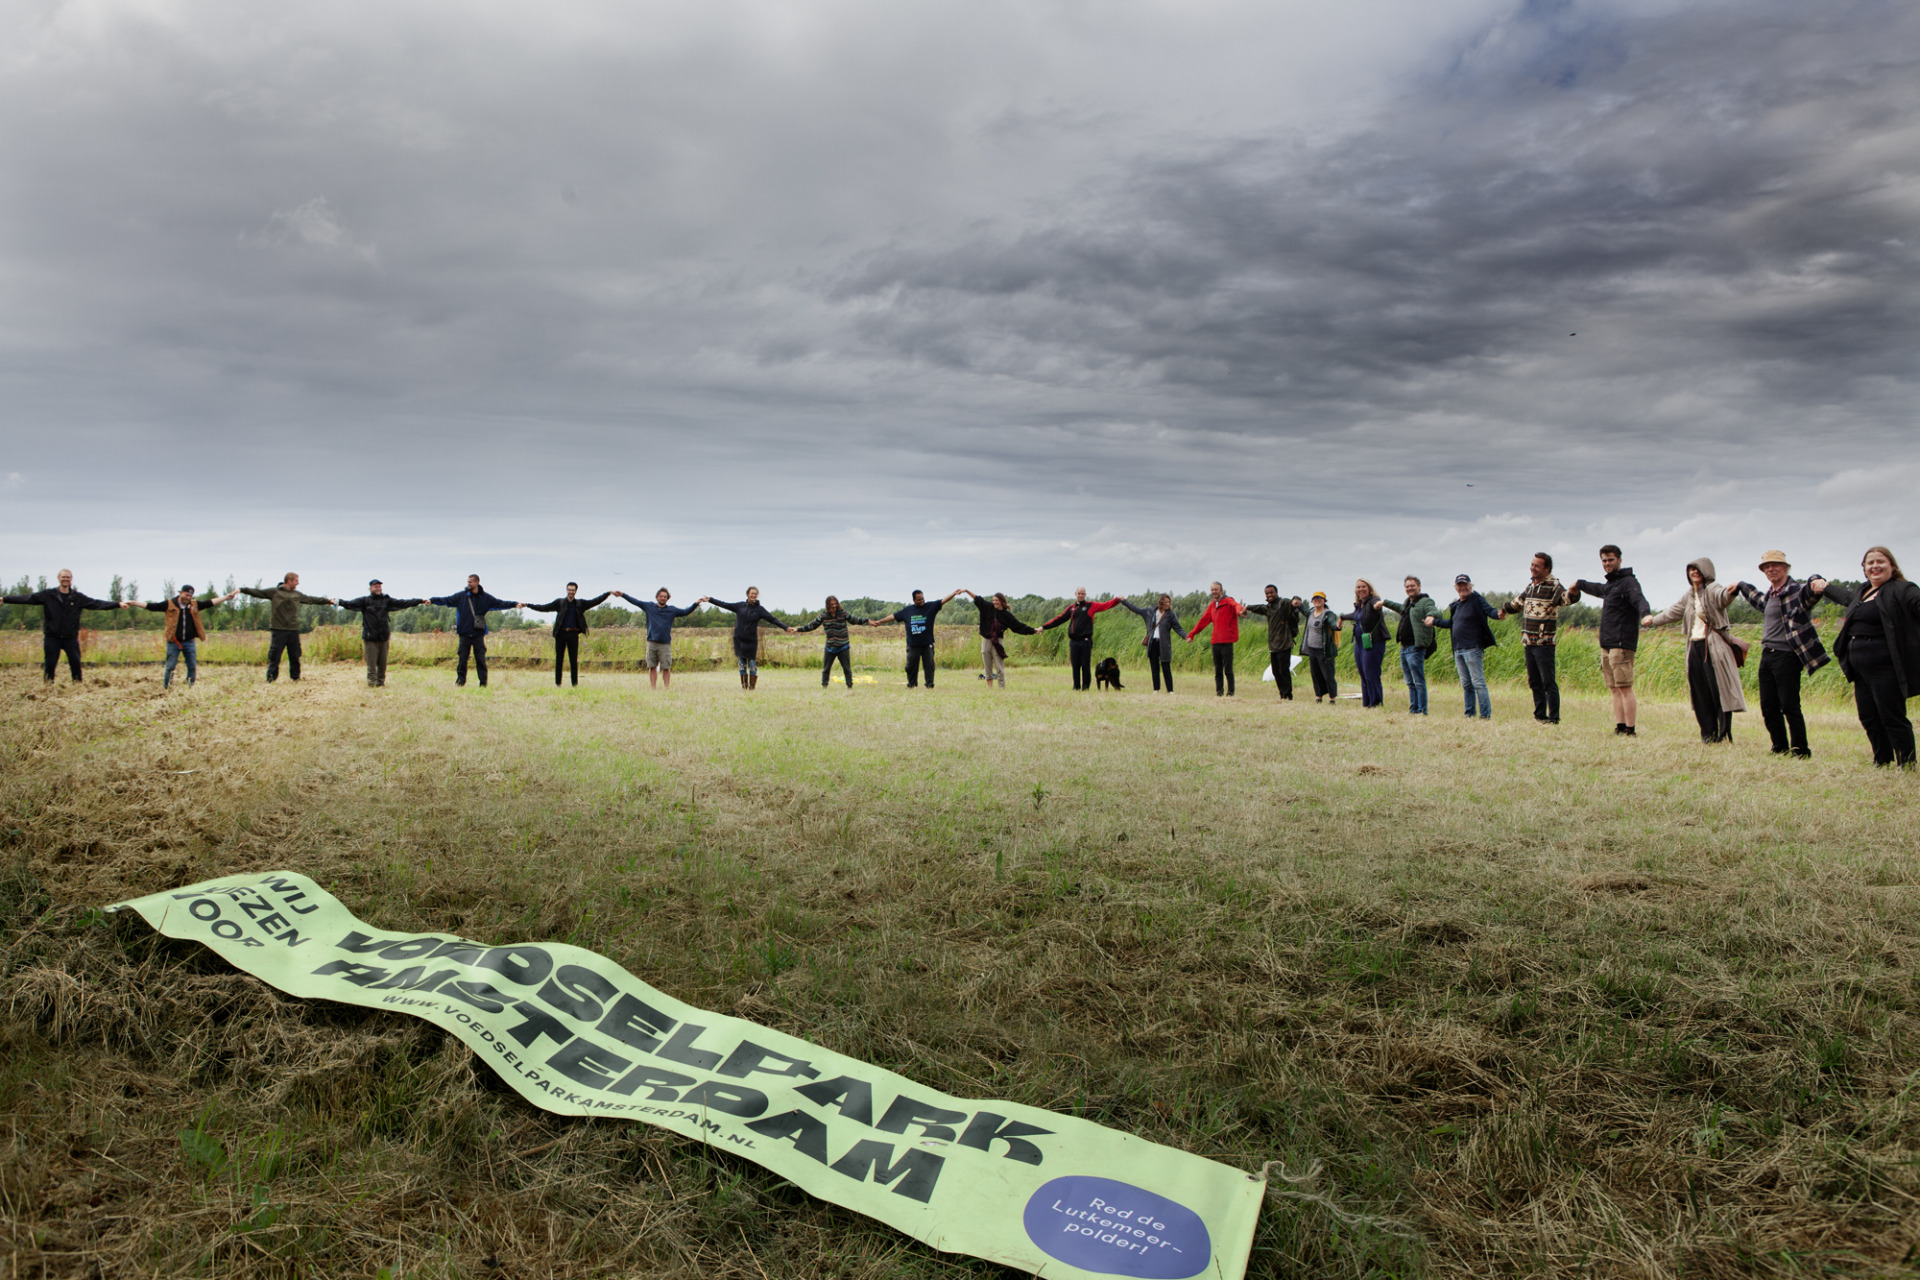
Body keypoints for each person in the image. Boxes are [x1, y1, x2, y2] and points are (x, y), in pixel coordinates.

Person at [1731, 551, 1850, 758]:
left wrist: (1816, 581)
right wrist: (1740, 585)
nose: (1771, 569)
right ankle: (1779, 747)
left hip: (1787, 656)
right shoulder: (1770, 596)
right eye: (1766, 567)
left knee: (1789, 705)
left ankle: (1800, 750)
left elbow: (1810, 590)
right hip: (1767, 655)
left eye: (1775, 565)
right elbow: (1755, 597)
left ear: (1786, 568)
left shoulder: (1796, 592)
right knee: (1768, 707)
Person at [1832, 546, 1920, 768]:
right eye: (1870, 563)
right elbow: (1844, 597)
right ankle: (1882, 760)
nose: (1875, 566)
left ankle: (1907, 764)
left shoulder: (1902, 589)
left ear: (1892, 566)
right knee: (1869, 717)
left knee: (1892, 716)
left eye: (1880, 561)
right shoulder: (1863, 592)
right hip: (1860, 668)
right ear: (1864, 569)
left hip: (1886, 666)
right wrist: (1823, 586)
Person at [1642, 558, 1745, 743]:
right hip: (1694, 647)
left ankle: (1723, 733)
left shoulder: (1713, 589)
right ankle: (1708, 734)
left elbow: (1723, 597)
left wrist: (1732, 591)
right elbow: (1673, 612)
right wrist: (1653, 620)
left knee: (1718, 690)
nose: (1694, 572)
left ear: (1706, 571)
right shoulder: (1689, 595)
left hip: (1714, 646)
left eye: (1697, 569)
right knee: (1700, 693)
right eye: (1691, 570)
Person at [1569, 545, 1652, 736]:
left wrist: (1646, 614)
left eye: (1611, 560)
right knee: (1614, 688)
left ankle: (1630, 729)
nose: (1607, 563)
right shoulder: (1611, 585)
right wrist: (1579, 584)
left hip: (1621, 643)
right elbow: (1598, 589)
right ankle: (1620, 726)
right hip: (1607, 643)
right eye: (1604, 560)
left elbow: (1639, 599)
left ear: (1619, 560)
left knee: (1625, 687)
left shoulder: (1628, 582)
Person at [3, 570, 123, 684]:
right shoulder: (48, 595)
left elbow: (97, 604)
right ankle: (48, 686)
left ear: (71, 579)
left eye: (68, 577)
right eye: (63, 577)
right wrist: (4, 599)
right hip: (52, 637)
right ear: (59, 578)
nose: (65, 579)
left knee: (75, 662)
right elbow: (28, 598)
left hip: (70, 638)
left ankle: (77, 685)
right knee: (50, 664)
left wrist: (117, 604)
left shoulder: (78, 597)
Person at [1497, 552, 1571, 724]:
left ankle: (1554, 718)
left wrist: (1574, 592)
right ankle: (1540, 715)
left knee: (1548, 682)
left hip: (1544, 642)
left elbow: (1566, 599)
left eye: (1537, 566)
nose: (1533, 568)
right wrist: (1503, 609)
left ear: (1547, 568)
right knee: (1534, 682)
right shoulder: (1531, 586)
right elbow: (1517, 604)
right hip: (1528, 642)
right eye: (1532, 564)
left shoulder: (1553, 586)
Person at [427, 575, 525, 688]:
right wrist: (432, 600)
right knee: (462, 660)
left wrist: (515, 604)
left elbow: (500, 603)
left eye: (471, 582)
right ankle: (460, 682)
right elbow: (446, 600)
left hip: (478, 634)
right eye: (468, 582)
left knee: (480, 660)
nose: (468, 584)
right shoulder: (461, 596)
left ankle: (483, 683)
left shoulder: (486, 598)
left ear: (477, 582)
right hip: (464, 634)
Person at [238, 573, 337, 683]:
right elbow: (258, 592)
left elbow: (311, 599)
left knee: (295, 656)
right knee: (275, 656)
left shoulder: (297, 595)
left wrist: (327, 601)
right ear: (289, 581)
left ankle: (295, 678)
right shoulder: (275, 592)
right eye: (296, 581)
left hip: (293, 630)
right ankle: (271, 679)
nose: (298, 583)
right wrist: (241, 590)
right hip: (279, 630)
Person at [133, 584, 238, 688]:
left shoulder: (194, 605)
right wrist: (133, 603)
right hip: (173, 642)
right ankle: (167, 687)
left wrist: (225, 597)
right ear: (181, 593)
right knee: (170, 667)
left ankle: (190, 687)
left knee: (192, 666)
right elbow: (151, 606)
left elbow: (209, 603)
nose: (188, 598)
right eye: (186, 595)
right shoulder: (169, 604)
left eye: (190, 596)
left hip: (189, 642)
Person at [1426, 575, 1499, 719]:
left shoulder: (1476, 599)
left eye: (1465, 584)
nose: (1462, 588)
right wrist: (1434, 621)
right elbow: (1451, 624)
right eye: (1459, 585)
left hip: (1473, 648)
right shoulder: (1456, 606)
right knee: (1466, 684)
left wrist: (1499, 613)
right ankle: (1469, 714)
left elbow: (1490, 611)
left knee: (1478, 683)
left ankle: (1485, 716)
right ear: (1456, 588)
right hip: (1458, 649)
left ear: (1470, 586)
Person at [337, 580, 426, 688]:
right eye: (375, 586)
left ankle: (380, 683)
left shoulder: (386, 600)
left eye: (379, 586)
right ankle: (372, 684)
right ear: (370, 588)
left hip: (383, 637)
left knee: (383, 664)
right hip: (370, 638)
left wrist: (420, 601)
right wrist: (338, 601)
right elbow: (349, 604)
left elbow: (403, 603)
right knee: (371, 664)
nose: (378, 588)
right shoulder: (365, 601)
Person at [868, 589, 960, 688]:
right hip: (913, 645)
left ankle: (929, 685)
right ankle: (912, 684)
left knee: (929, 665)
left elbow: (943, 601)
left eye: (922, 598)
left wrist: (954, 594)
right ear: (914, 600)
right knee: (911, 666)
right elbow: (893, 616)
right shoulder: (907, 611)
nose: (922, 601)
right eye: (919, 599)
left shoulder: (930, 607)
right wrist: (880, 621)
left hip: (927, 644)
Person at [527, 583, 612, 687]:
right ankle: (558, 684)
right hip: (561, 634)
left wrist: (608, 593)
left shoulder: (580, 604)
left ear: (576, 591)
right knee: (559, 660)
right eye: (569, 590)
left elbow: (595, 601)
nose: (571, 592)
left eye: (573, 590)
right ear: (566, 590)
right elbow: (544, 607)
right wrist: (528, 605)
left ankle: (574, 684)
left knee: (573, 661)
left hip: (573, 634)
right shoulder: (560, 603)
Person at [1039, 588, 1124, 691]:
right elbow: (1059, 619)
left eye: (1082, 594)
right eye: (1079, 593)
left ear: (1085, 595)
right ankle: (1076, 687)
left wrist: (1117, 600)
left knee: (1085, 666)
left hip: (1085, 641)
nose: (1081, 595)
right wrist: (1044, 627)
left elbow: (1105, 605)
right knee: (1075, 666)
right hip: (1074, 642)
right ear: (1075, 594)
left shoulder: (1091, 605)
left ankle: (1085, 687)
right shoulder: (1071, 608)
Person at [614, 588, 700, 689]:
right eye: (661, 596)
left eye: (665, 597)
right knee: (652, 666)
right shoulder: (649, 607)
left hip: (665, 643)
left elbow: (685, 612)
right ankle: (653, 688)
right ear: (657, 597)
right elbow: (635, 601)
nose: (663, 598)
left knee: (666, 667)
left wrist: (696, 604)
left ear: (667, 598)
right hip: (651, 642)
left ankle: (667, 688)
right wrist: (623, 595)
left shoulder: (672, 610)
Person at [711, 588, 795, 690]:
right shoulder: (740, 606)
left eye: (755, 594)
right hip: (739, 640)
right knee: (742, 664)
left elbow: (772, 619)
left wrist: (785, 627)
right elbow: (724, 604)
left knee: (752, 664)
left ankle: (751, 687)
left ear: (757, 595)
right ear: (748, 594)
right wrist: (710, 599)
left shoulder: (759, 609)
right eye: (752, 593)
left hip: (751, 641)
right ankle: (744, 687)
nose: (753, 595)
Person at [1379, 576, 1438, 714]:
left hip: (1415, 648)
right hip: (1404, 648)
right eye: (1407, 586)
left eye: (1412, 585)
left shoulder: (1425, 601)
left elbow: (1434, 610)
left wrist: (1431, 616)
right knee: (1410, 682)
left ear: (1419, 586)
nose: (1410, 588)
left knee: (1418, 682)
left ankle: (1422, 710)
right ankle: (1413, 709)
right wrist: (1384, 602)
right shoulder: (1408, 603)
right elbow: (1399, 607)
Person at [961, 591, 1035, 688]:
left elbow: (1018, 626)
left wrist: (1033, 630)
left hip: (998, 641)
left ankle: (1001, 688)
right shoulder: (988, 608)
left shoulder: (1006, 615)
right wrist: (966, 591)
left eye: (997, 600)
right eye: (993, 600)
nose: (994, 602)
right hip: (986, 640)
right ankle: (990, 689)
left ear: (1002, 601)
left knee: (999, 667)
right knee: (987, 666)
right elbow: (978, 599)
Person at [796, 595, 871, 689]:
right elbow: (812, 625)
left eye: (835, 604)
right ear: (828, 605)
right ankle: (824, 686)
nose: (834, 606)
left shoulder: (843, 613)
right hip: (830, 647)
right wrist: (798, 629)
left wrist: (867, 621)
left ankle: (849, 686)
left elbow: (854, 620)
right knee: (826, 669)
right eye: (832, 604)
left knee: (847, 669)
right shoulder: (823, 616)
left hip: (843, 646)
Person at [1186, 582, 1246, 697]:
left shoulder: (1228, 601)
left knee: (1228, 669)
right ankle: (1219, 692)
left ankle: (1230, 692)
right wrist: (1192, 634)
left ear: (1221, 591)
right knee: (1218, 669)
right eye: (1212, 590)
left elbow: (1237, 606)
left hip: (1227, 641)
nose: (1214, 592)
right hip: (1215, 642)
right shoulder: (1213, 605)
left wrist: (1240, 612)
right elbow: (1203, 621)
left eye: (1216, 589)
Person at [1243, 586, 1303, 699]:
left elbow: (1291, 601)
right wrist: (1248, 607)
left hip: (1284, 643)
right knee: (1275, 671)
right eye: (1267, 593)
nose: (1269, 595)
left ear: (1276, 592)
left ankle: (1288, 695)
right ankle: (1282, 694)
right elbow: (1260, 608)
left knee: (1283, 670)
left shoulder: (1283, 603)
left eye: (1271, 592)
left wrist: (1295, 600)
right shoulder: (1268, 608)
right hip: (1273, 645)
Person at [1120, 594, 1186, 693]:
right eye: (1166, 602)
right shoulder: (1149, 612)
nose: (1168, 604)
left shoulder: (1170, 615)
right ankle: (1156, 689)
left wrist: (1186, 636)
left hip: (1164, 644)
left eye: (1169, 602)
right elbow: (1136, 609)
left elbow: (1178, 628)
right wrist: (1124, 601)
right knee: (1154, 668)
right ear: (1161, 602)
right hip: (1153, 643)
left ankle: (1170, 690)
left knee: (1166, 667)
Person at [1347, 579, 1391, 708]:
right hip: (1359, 643)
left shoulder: (1373, 600)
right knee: (1363, 673)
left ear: (1369, 589)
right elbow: (1355, 615)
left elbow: (1375, 606)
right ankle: (1366, 703)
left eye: (1363, 587)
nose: (1361, 589)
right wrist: (1342, 617)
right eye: (1358, 587)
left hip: (1374, 642)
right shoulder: (1360, 604)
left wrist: (1378, 605)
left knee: (1371, 673)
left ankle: (1376, 703)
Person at [1298, 591, 1341, 702]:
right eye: (1315, 598)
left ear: (1324, 601)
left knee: (1328, 674)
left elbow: (1332, 623)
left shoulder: (1328, 614)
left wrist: (1337, 626)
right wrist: (1296, 600)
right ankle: (1319, 696)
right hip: (1312, 649)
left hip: (1324, 650)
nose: (1317, 600)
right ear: (1312, 601)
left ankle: (1332, 697)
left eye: (1320, 598)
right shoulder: (1311, 612)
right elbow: (1302, 608)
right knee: (1315, 674)